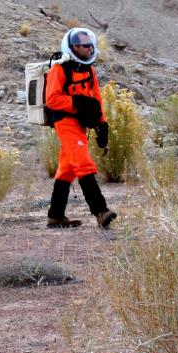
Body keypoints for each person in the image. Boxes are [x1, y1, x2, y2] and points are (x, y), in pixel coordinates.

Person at [43, 27, 117, 229]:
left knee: (66, 169)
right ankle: (100, 211)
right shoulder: (59, 69)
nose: (88, 48)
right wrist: (77, 103)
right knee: (83, 163)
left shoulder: (89, 70)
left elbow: (96, 99)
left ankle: (56, 215)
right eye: (84, 45)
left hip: (80, 123)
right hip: (65, 122)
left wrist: (102, 125)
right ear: (73, 47)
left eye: (90, 44)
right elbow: (52, 100)